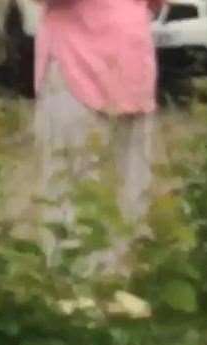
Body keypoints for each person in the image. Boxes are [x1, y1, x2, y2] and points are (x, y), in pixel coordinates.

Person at [33, 0, 163, 272]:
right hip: (125, 60)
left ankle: (82, 286)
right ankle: (111, 281)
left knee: (72, 185)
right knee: (121, 185)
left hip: (85, 65)